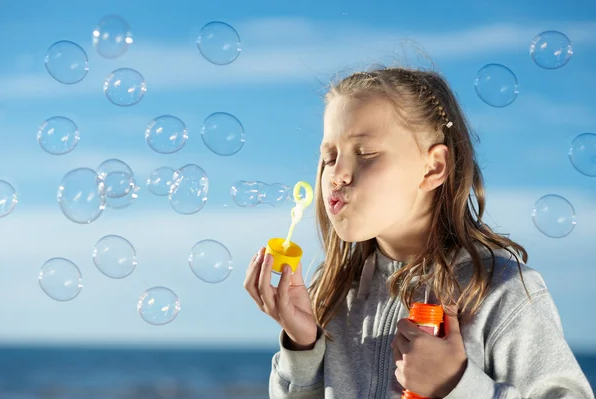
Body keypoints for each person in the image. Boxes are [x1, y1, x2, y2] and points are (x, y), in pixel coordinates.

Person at [243, 66, 595, 398]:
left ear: (433, 167)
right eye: (330, 156)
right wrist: (303, 349)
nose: (338, 174)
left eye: (365, 153)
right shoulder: (335, 297)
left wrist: (456, 385)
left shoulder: (499, 291)